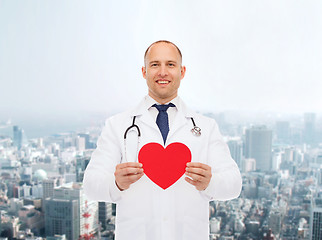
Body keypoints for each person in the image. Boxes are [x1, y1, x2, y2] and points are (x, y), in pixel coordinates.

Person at [83, 40, 242, 240]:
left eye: (170, 64)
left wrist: (210, 183)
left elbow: (234, 184)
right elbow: (90, 184)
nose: (163, 72)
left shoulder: (206, 127)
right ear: (144, 71)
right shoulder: (117, 125)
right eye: (155, 64)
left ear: (182, 72)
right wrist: (116, 183)